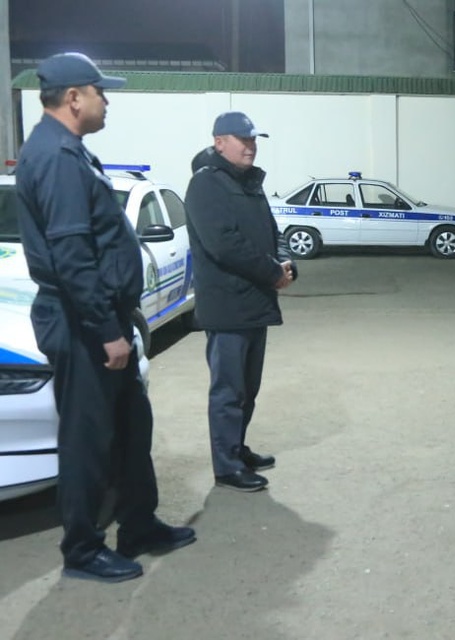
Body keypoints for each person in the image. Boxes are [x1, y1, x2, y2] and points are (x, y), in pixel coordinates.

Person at [15, 52, 194, 583]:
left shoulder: (69, 150)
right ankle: (81, 549)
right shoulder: (56, 157)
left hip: (100, 317)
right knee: (87, 441)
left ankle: (138, 524)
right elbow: (72, 257)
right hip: (82, 322)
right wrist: (107, 331)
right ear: (74, 98)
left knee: (132, 427)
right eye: (100, 91)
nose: (107, 100)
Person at [187, 111, 293, 492]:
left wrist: (286, 262)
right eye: (243, 139)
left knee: (248, 388)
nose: (251, 146)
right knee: (228, 391)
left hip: (254, 303)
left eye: (253, 140)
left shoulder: (249, 183)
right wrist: (271, 272)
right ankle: (227, 466)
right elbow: (224, 244)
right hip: (227, 306)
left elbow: (272, 231)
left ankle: (237, 447)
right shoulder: (206, 185)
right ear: (219, 142)